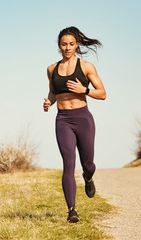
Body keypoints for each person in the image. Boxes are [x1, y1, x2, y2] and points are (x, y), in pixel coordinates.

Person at [43, 26, 106, 223]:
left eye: (71, 44)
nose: (67, 48)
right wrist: (48, 102)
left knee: (87, 163)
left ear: (76, 45)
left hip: (83, 118)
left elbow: (102, 93)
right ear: (59, 46)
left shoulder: (86, 67)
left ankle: (88, 177)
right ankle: (72, 210)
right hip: (63, 120)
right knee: (68, 164)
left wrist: (84, 90)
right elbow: (53, 92)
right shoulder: (51, 69)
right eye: (64, 44)